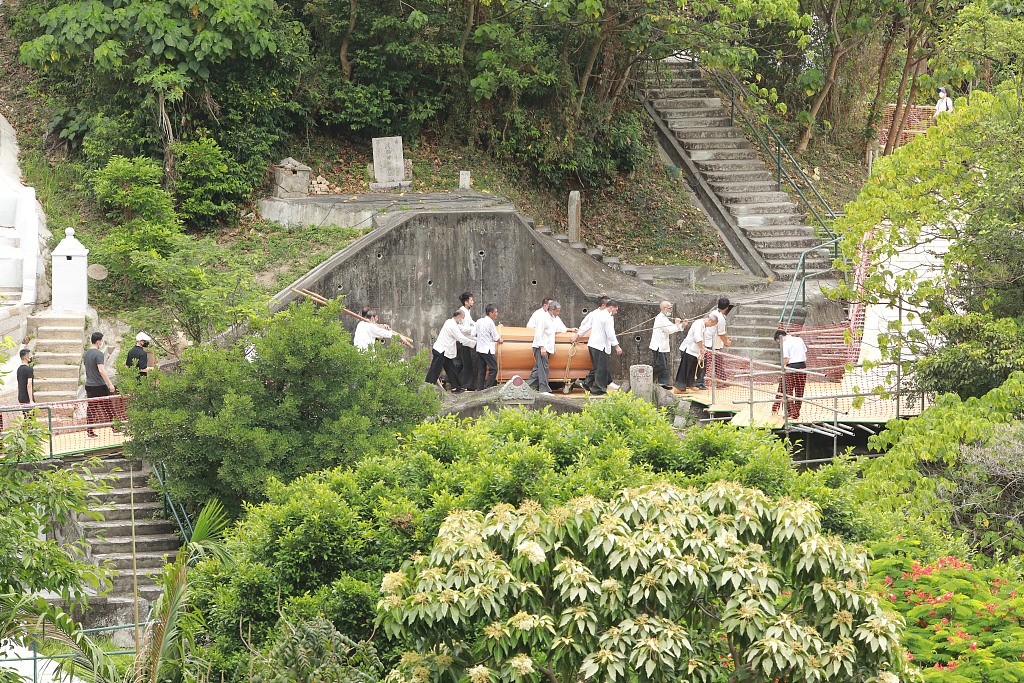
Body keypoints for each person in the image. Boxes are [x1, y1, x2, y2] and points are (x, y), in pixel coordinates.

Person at [577, 300, 622, 395]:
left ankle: (587, 383)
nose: (616, 312)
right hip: (600, 346)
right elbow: (610, 333)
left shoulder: (598, 314)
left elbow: (587, 326)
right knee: (602, 368)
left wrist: (578, 335)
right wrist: (617, 346)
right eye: (616, 310)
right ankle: (598, 389)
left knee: (598, 367)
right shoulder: (607, 317)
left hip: (593, 344)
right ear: (611, 308)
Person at [425, 310, 476, 392]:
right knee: (435, 369)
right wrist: (475, 343)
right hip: (441, 350)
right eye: (462, 318)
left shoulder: (450, 322)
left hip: (445, 351)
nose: (462, 320)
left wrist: (475, 335)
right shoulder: (452, 325)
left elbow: (463, 330)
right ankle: (428, 386)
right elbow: (461, 338)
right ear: (458, 317)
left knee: (451, 369)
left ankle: (456, 387)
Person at [528, 300, 572, 394]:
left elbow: (558, 329)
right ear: (551, 310)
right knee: (544, 368)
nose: (558, 313)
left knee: (538, 369)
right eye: (557, 311)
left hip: (547, 347)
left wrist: (569, 329)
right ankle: (543, 390)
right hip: (541, 347)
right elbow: (538, 334)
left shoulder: (553, 319)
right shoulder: (543, 318)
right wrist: (542, 347)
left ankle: (527, 388)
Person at [83, 332, 117, 438]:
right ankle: (116, 427)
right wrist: (110, 384)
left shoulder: (86, 354)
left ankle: (90, 431)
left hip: (89, 385)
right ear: (98, 342)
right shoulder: (99, 354)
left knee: (92, 408)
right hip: (99, 385)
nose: (102, 343)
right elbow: (101, 370)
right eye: (101, 341)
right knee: (108, 407)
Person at [771, 329, 809, 419]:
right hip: (802, 366)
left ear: (779, 338)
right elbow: (804, 351)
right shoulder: (799, 339)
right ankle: (796, 412)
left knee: (788, 391)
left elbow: (786, 359)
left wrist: (783, 369)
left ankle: (791, 412)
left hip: (791, 367)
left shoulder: (785, 343)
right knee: (800, 391)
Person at [674, 315, 716, 392]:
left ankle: (689, 384)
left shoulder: (703, 326)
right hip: (689, 349)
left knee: (692, 369)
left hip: (695, 351)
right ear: (709, 320)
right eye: (711, 325)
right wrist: (702, 348)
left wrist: (701, 349)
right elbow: (697, 338)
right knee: (684, 368)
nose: (710, 326)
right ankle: (678, 387)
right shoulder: (698, 324)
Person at [576, 296, 610, 389]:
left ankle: (587, 383)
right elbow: (585, 326)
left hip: (602, 344)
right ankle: (597, 387)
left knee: (600, 366)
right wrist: (578, 336)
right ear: (604, 305)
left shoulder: (607, 315)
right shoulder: (594, 314)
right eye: (609, 306)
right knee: (600, 367)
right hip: (596, 343)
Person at [699, 297, 732, 389]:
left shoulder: (713, 313)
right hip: (713, 343)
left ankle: (722, 380)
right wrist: (727, 342)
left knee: (718, 362)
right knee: (707, 363)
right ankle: (700, 382)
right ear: (727, 307)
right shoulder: (720, 318)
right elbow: (721, 333)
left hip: (709, 340)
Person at [649, 301, 683, 388]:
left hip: (662, 347)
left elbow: (672, 327)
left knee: (664, 366)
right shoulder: (660, 318)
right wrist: (677, 324)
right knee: (661, 365)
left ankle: (663, 384)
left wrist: (682, 325)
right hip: (658, 346)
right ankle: (648, 378)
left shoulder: (664, 318)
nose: (671, 310)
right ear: (664, 309)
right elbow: (670, 330)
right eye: (669, 308)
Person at [474, 304, 503, 390]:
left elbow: (473, 333)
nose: (497, 313)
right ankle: (488, 388)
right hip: (488, 349)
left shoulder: (479, 321)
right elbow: (496, 337)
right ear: (490, 313)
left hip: (480, 349)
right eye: (496, 312)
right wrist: (500, 340)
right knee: (494, 368)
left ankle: (480, 389)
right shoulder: (490, 323)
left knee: (482, 370)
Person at [456, 292, 477, 389]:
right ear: (466, 302)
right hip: (462, 341)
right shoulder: (461, 312)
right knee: (466, 364)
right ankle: (465, 386)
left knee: (459, 364)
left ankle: (449, 380)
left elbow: (472, 323)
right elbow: (461, 327)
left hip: (465, 340)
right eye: (471, 300)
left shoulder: (467, 312)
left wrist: (479, 327)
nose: (473, 302)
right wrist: (473, 331)